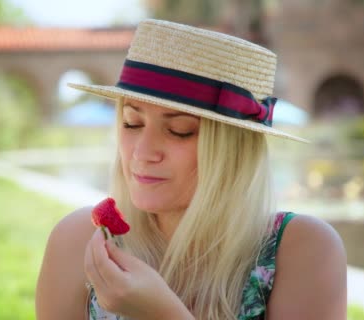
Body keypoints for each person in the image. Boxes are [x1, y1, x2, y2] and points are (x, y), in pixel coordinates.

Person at [35, 19, 346, 320]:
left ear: (234, 148)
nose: (142, 152)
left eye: (179, 130)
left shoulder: (302, 249)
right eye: (132, 123)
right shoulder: (77, 240)